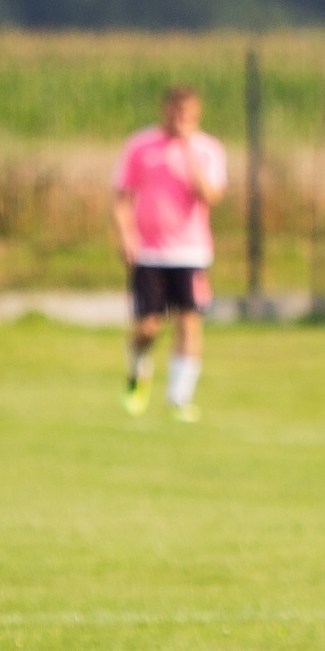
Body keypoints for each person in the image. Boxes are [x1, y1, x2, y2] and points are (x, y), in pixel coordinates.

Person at [113, 85, 227, 422]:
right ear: (165, 112)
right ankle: (137, 375)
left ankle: (179, 398)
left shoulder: (207, 150)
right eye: (175, 115)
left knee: (189, 322)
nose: (180, 122)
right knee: (148, 326)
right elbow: (122, 196)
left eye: (188, 116)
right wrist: (126, 235)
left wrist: (188, 154)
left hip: (191, 251)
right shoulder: (140, 146)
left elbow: (211, 196)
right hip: (149, 252)